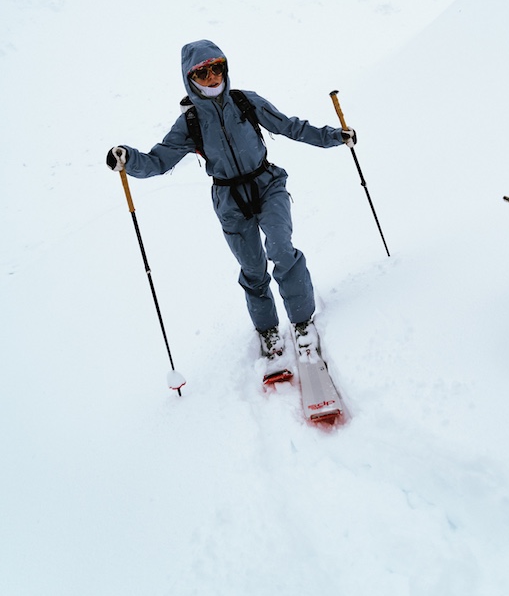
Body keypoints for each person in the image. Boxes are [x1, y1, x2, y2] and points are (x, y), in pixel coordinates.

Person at [107, 39, 355, 375]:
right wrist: (128, 158)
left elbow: (289, 126)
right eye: (202, 72)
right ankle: (268, 332)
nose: (212, 76)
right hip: (229, 199)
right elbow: (158, 161)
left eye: (217, 67)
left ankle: (302, 323)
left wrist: (334, 136)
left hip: (267, 184)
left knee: (281, 248)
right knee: (253, 269)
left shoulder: (245, 102)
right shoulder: (190, 123)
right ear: (190, 78)